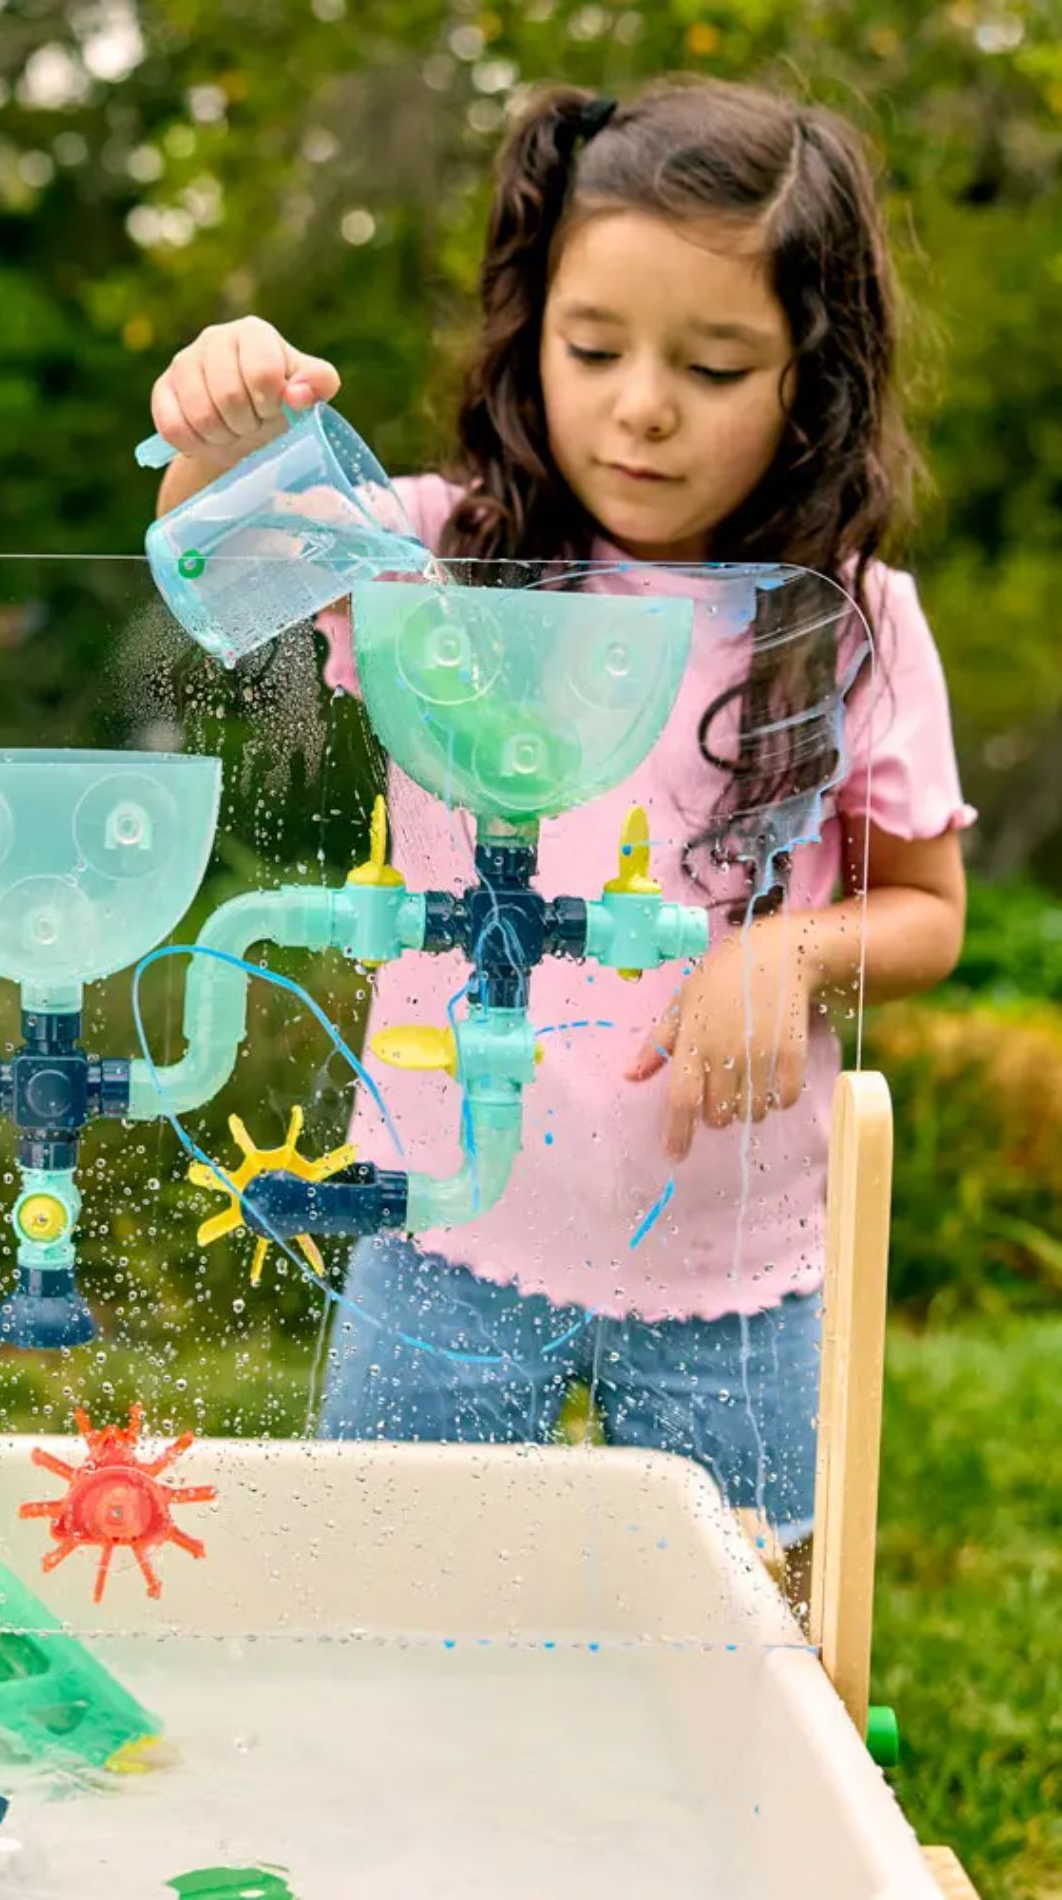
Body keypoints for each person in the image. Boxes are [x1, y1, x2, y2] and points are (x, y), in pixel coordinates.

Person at [149, 79, 970, 1592]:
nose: (642, 404)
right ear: (532, 331)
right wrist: (217, 423)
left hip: (735, 1262)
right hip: (445, 1229)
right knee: (384, 1603)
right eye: (595, 348)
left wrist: (790, 951)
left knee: (747, 1641)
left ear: (814, 378)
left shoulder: (856, 624)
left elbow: (927, 909)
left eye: (715, 365)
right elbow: (216, 555)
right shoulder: (435, 558)